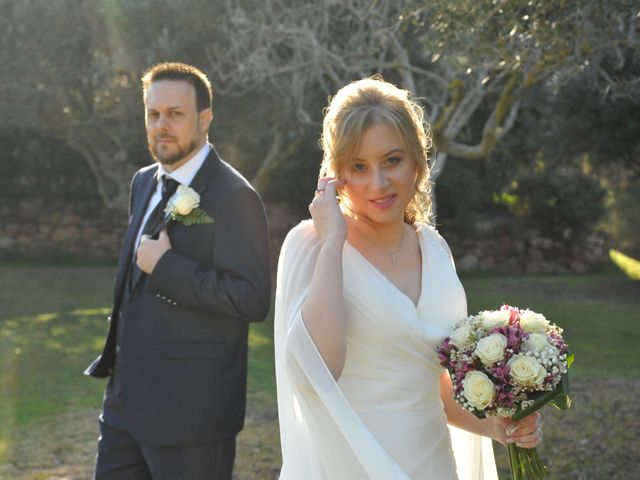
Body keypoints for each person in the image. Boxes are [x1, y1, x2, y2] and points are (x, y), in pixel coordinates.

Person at [274, 77, 542, 479]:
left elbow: (432, 385)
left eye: (392, 160)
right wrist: (333, 243)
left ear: (417, 160)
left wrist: (497, 427)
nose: (378, 184)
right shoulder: (312, 246)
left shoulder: (435, 249)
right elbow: (318, 373)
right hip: (351, 465)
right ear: (337, 175)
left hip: (432, 463)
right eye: (359, 167)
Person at [85, 62, 271, 479]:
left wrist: (167, 267)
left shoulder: (234, 196)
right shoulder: (143, 182)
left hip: (192, 415)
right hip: (123, 406)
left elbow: (253, 298)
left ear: (205, 119)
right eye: (153, 114)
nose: (161, 125)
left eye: (175, 114)